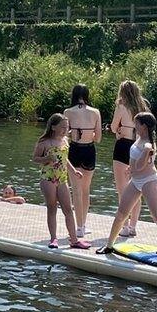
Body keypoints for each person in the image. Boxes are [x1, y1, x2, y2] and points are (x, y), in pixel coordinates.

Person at [97, 112, 157, 257]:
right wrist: (129, 168)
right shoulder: (139, 138)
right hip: (136, 181)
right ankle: (109, 245)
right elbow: (134, 164)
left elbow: (139, 166)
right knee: (121, 213)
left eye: (136, 123)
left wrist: (143, 155)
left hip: (149, 181)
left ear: (143, 126)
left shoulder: (148, 145)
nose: (134, 126)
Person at [33, 114, 92, 249]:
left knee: (68, 209)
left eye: (67, 127)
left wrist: (73, 171)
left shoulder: (65, 141)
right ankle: (53, 238)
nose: (65, 129)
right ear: (53, 127)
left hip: (62, 178)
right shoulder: (44, 142)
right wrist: (46, 158)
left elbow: (64, 159)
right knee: (52, 208)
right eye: (62, 127)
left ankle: (74, 239)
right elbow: (35, 158)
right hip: (48, 178)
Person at [110, 80, 149, 237]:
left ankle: (124, 225)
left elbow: (113, 126)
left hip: (123, 146)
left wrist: (118, 132)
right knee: (136, 188)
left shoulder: (121, 106)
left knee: (122, 189)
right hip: (139, 147)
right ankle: (133, 226)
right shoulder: (143, 106)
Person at [64, 84, 102, 238]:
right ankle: (83, 225)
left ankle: (78, 227)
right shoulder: (95, 112)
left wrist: (75, 132)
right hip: (89, 150)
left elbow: (63, 135)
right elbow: (98, 138)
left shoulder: (68, 112)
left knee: (76, 190)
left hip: (74, 150)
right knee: (86, 190)